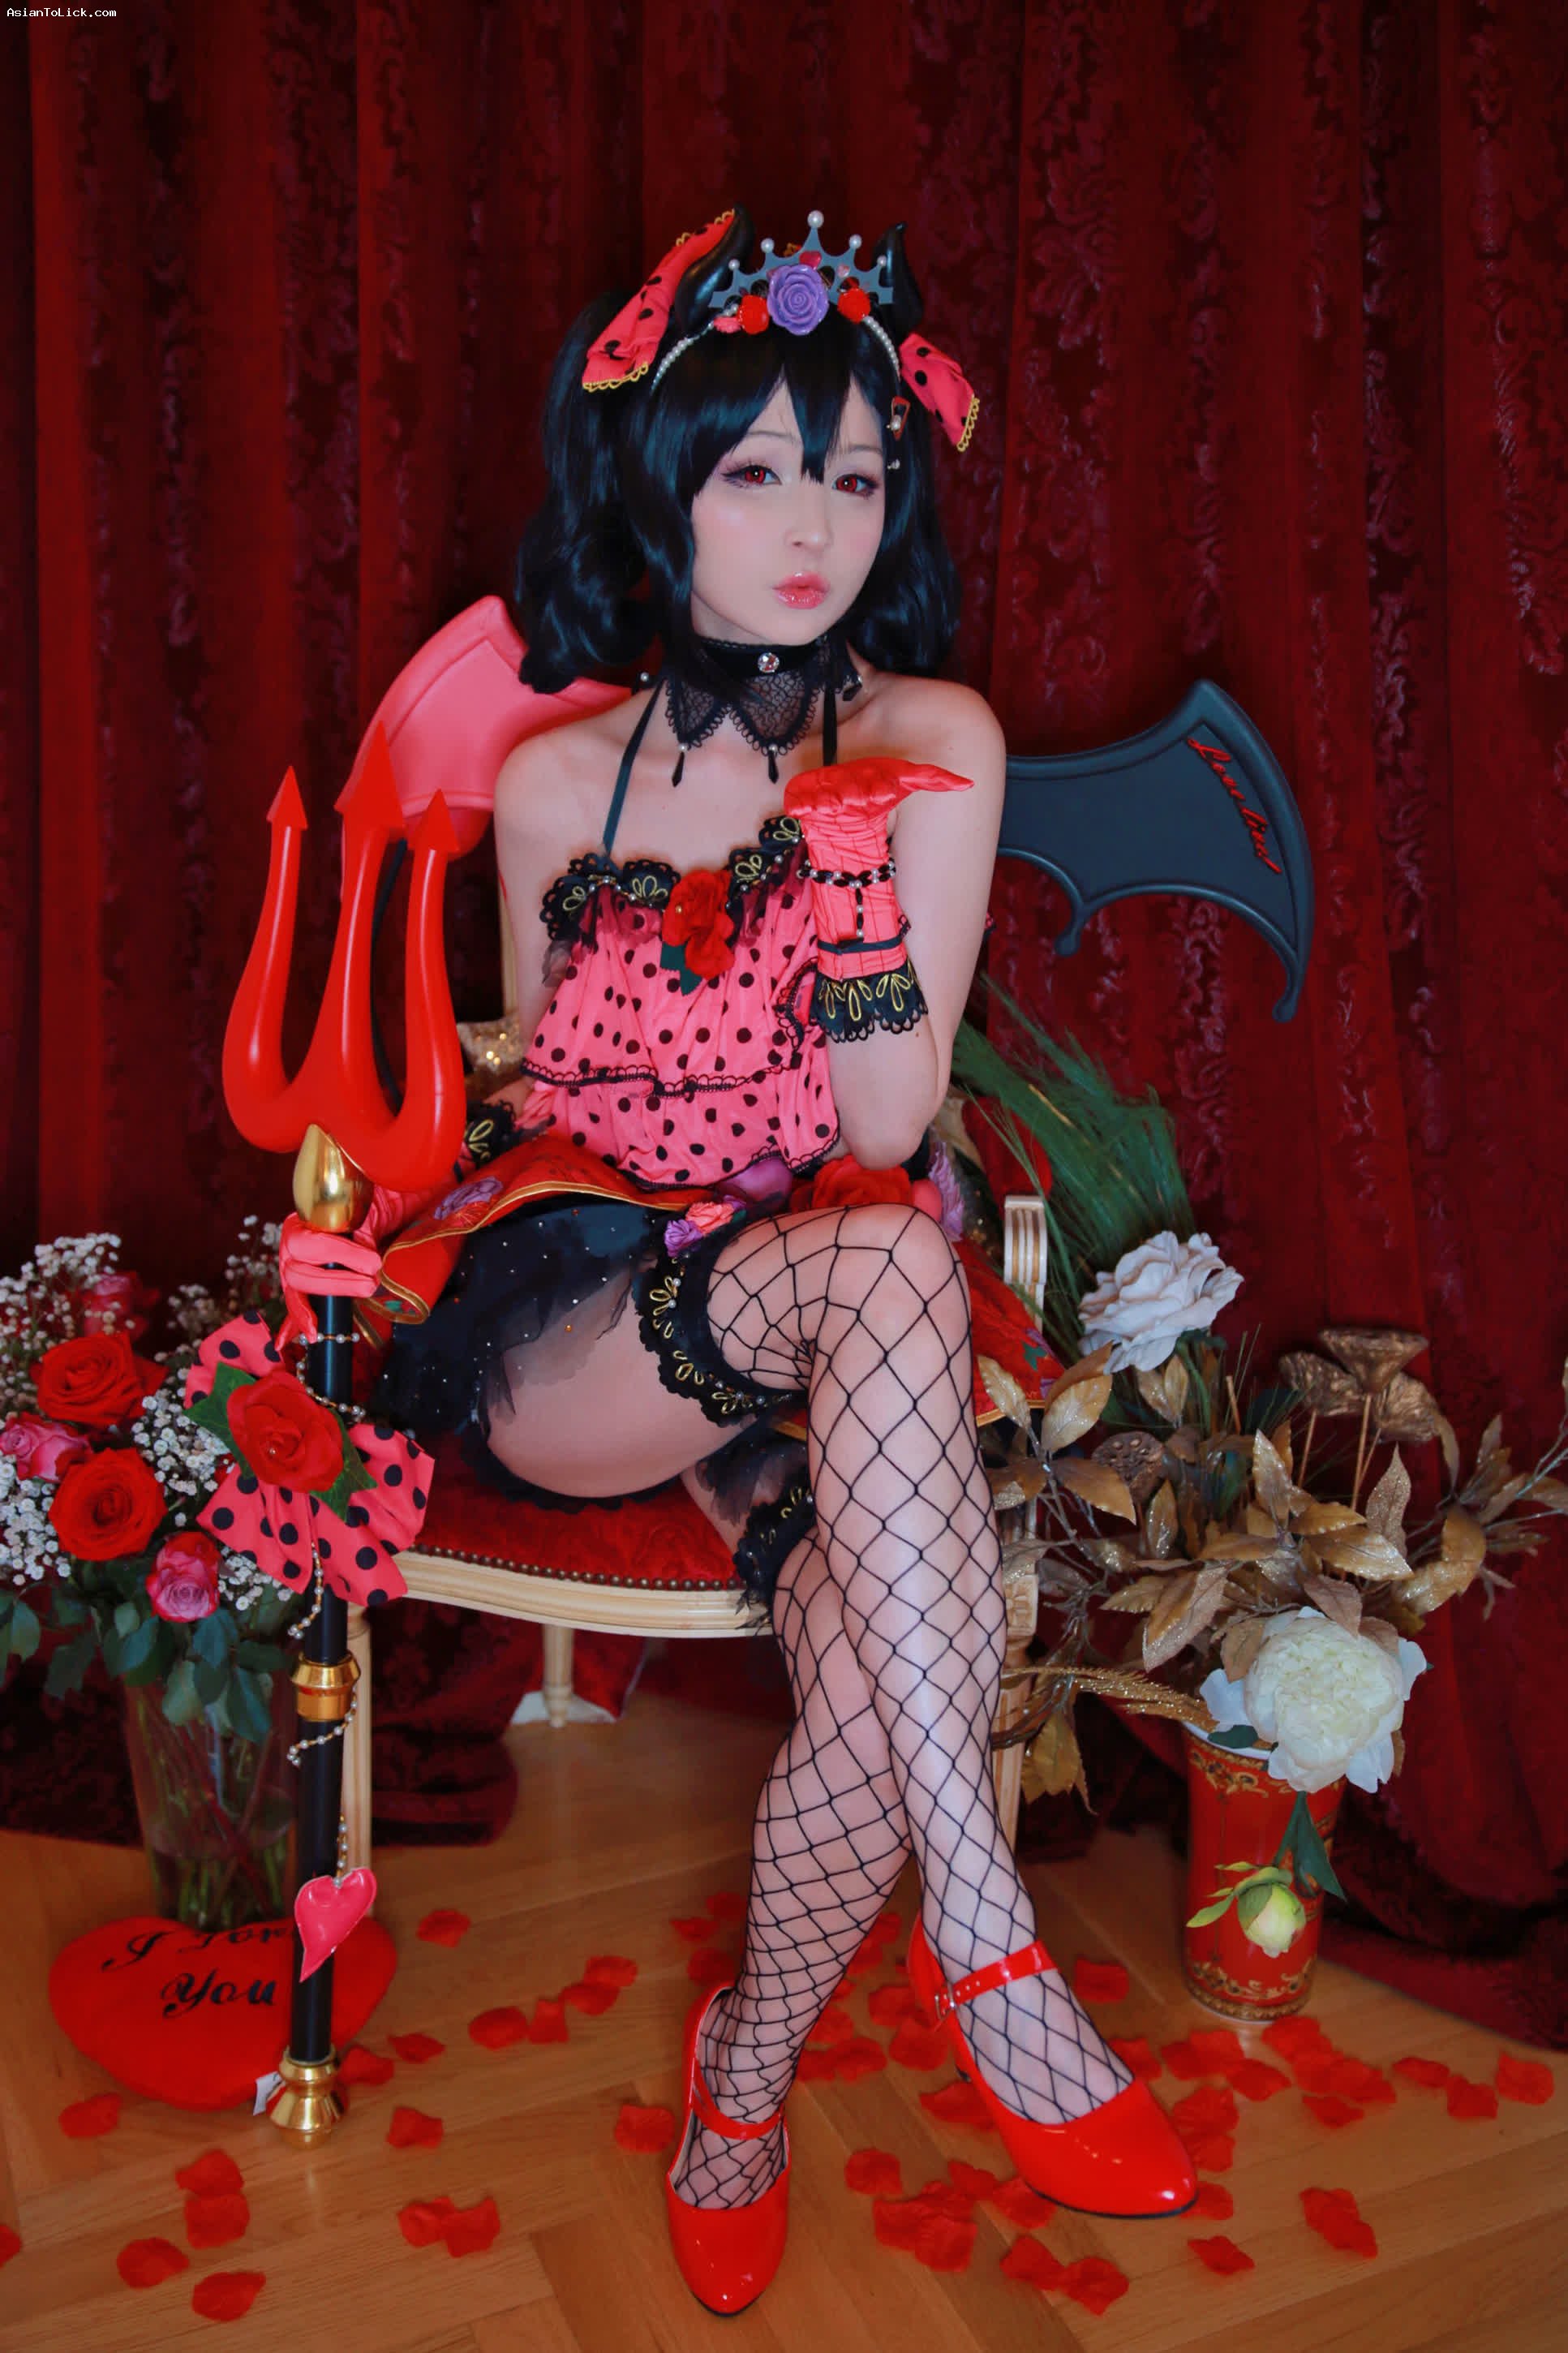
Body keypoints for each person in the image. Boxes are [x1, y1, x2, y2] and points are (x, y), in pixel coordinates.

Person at [283, 207, 1196, 2314]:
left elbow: (880, 1128)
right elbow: (554, 1110)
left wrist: (850, 860)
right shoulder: (549, 781)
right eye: (760, 468)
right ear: (661, 478)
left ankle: (743, 2084)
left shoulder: (938, 737)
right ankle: (989, 1940)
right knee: (869, 1265)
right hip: (591, 1328)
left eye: (858, 474)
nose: (814, 527)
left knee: (872, 1670)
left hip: (830, 1321)